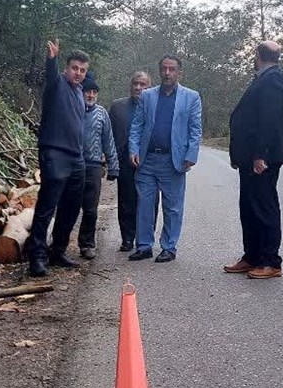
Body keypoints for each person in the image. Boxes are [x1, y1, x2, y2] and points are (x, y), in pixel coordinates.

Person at [224, 41, 283, 279]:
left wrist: (260, 154)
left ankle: (271, 261)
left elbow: (269, 120)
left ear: (257, 55)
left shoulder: (273, 80)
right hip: (250, 157)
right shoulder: (263, 78)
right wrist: (239, 155)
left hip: (263, 158)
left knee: (264, 207)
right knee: (249, 207)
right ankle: (252, 256)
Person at [128, 55, 202, 263]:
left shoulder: (191, 97)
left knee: (173, 207)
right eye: (164, 69)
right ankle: (144, 246)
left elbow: (195, 129)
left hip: (173, 161)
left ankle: (169, 247)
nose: (167, 73)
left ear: (179, 73)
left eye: (172, 69)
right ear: (159, 71)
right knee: (144, 204)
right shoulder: (147, 96)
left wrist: (191, 154)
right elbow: (137, 125)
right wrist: (133, 149)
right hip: (147, 159)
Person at [27, 39, 89, 277]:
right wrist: (51, 59)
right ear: (66, 68)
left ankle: (58, 251)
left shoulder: (79, 91)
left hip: (76, 157)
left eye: (82, 70)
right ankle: (37, 256)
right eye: (74, 68)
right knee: (47, 206)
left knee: (71, 207)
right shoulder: (57, 84)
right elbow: (51, 75)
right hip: (54, 153)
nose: (78, 73)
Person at [78, 72, 119, 259]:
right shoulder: (73, 109)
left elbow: (108, 141)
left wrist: (113, 165)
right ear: (82, 92)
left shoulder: (102, 113)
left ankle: (87, 244)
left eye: (94, 92)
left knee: (91, 209)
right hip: (73, 164)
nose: (91, 95)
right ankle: (59, 245)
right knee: (68, 206)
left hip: (94, 166)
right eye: (88, 91)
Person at [109, 72, 152, 251]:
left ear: (149, 87)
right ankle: (127, 238)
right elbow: (109, 135)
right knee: (126, 201)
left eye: (143, 84)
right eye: (135, 83)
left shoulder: (155, 106)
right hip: (124, 161)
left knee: (148, 201)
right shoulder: (117, 107)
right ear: (130, 85)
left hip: (149, 161)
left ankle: (145, 239)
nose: (138, 87)